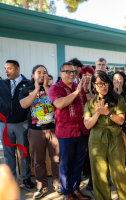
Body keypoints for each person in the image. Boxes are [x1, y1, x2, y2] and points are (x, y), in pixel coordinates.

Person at [83, 70, 126, 200]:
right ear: (93, 85)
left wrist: (108, 113)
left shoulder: (118, 99)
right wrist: (98, 113)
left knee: (119, 174)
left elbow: (121, 121)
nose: (103, 86)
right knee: (99, 176)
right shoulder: (90, 104)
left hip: (115, 138)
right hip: (96, 141)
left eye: (105, 83)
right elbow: (88, 125)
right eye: (99, 84)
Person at [48, 62, 93, 200]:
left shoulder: (79, 86)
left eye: (73, 71)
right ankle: (66, 193)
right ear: (61, 73)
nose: (72, 74)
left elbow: (91, 103)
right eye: (67, 71)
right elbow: (60, 104)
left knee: (78, 163)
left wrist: (86, 90)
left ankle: (75, 189)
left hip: (82, 130)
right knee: (66, 163)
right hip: (66, 132)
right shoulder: (55, 88)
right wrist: (77, 92)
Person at [19, 65, 61, 198]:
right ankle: (41, 185)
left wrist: (48, 87)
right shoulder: (26, 89)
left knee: (57, 159)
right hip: (35, 131)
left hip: (54, 129)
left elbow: (57, 104)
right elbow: (24, 104)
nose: (42, 74)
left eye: (45, 72)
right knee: (38, 161)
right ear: (32, 75)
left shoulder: (54, 88)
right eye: (39, 72)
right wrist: (37, 89)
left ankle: (57, 183)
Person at [0, 60, 34, 189]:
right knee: (8, 154)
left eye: (9, 68)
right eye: (5, 68)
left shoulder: (28, 84)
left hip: (22, 124)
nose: (6, 71)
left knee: (24, 153)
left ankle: (26, 178)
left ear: (17, 69)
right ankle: (11, 180)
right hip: (5, 124)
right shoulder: (1, 83)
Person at [79, 65, 95, 191]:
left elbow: (93, 103)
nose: (87, 77)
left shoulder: (96, 87)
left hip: (94, 124)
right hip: (80, 124)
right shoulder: (77, 88)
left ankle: (92, 179)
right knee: (83, 153)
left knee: (92, 154)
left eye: (89, 74)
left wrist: (86, 90)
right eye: (84, 75)